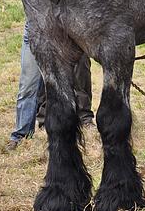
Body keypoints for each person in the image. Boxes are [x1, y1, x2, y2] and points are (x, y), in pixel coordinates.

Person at [7, 23, 94, 151]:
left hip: (68, 26)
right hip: (36, 30)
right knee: (28, 86)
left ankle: (84, 118)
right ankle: (21, 134)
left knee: (81, 73)